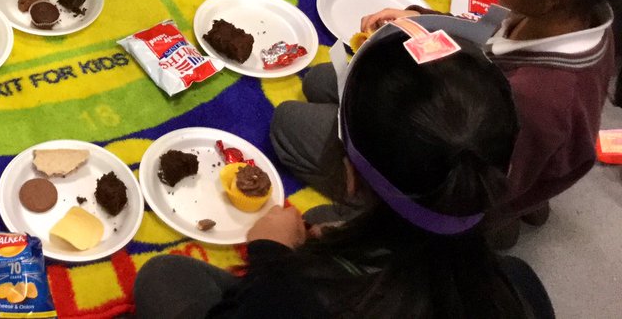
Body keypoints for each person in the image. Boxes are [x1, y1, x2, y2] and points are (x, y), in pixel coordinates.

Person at [272, 0, 622, 248]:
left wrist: (392, 224)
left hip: (462, 185)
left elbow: (472, 189)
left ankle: (466, 227)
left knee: (289, 125)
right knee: (323, 80)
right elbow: (492, 39)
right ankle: (524, 205)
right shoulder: (576, 13)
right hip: (485, 119)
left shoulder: (540, 100)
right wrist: (424, 21)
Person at [131, 25, 555, 319]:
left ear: (349, 177)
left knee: (164, 279)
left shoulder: (296, 296)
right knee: (318, 224)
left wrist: (269, 257)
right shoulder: (521, 288)